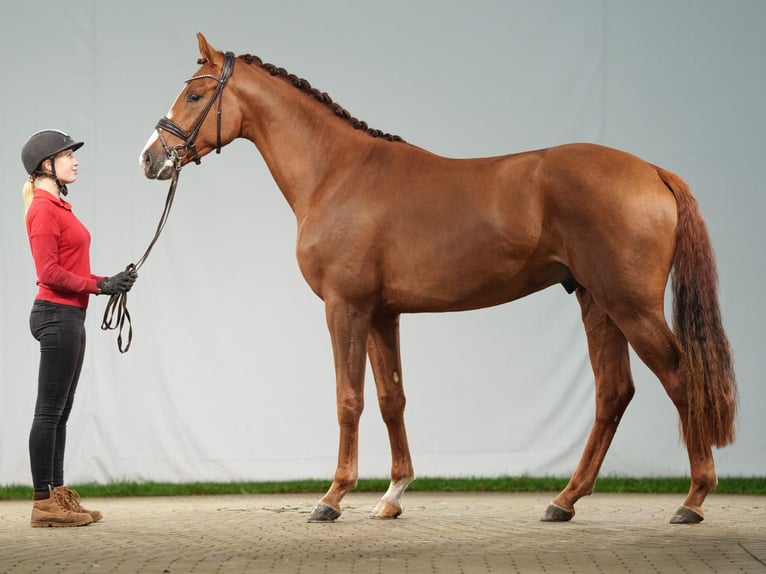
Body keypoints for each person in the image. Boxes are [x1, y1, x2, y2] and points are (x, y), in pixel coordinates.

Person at [21, 129, 137, 527]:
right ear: (45, 165)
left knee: (61, 412)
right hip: (56, 316)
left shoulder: (58, 208)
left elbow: (69, 268)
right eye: (67, 155)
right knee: (48, 412)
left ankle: (57, 494)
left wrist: (110, 281)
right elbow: (49, 273)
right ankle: (42, 502)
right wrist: (100, 285)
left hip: (70, 316)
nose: (75, 160)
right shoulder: (42, 209)